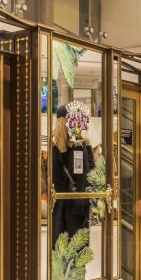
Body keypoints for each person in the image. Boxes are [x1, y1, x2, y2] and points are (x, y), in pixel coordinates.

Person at [51, 102, 94, 248]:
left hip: (60, 205)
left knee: (60, 251)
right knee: (76, 250)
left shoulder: (54, 147)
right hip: (77, 206)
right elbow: (85, 175)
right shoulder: (79, 146)